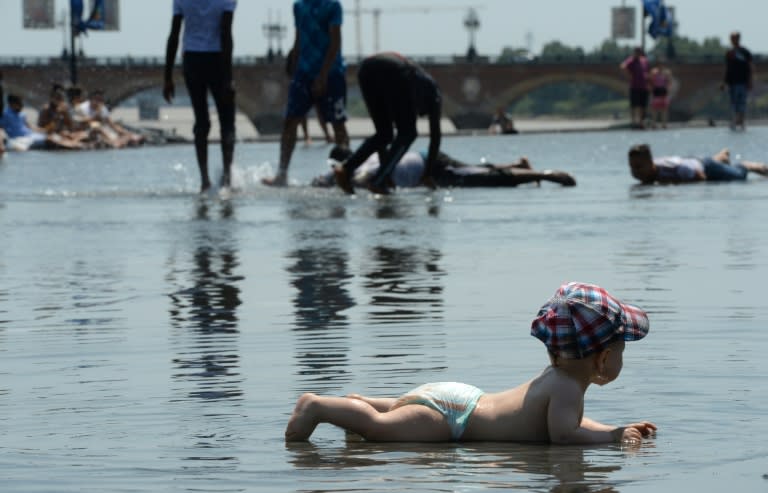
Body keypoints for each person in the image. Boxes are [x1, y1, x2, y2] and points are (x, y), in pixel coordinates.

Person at [285, 281, 656, 444]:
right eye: (621, 349)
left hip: (460, 398)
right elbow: (563, 436)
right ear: (604, 358)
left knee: (393, 411)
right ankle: (318, 406)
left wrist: (616, 427)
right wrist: (610, 439)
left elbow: (569, 424)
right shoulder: (566, 389)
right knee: (382, 429)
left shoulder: (558, 381)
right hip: (452, 422)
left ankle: (359, 404)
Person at [262, 0, 350, 186]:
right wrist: (293, 64)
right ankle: (282, 174)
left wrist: (323, 75)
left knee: (338, 125)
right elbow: (299, 38)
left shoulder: (333, 6)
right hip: (303, 73)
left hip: (331, 74)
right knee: (290, 122)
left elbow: (335, 42)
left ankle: (345, 172)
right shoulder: (299, 6)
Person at [334, 52, 442, 195]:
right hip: (395, 70)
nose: (418, 115)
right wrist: (427, 175)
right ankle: (378, 181)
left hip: (366, 69)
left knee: (384, 134)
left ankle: (345, 169)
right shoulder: (434, 94)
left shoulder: (414, 90)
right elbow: (436, 137)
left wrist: (387, 175)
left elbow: (383, 143)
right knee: (408, 133)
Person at [164, 0, 237, 192]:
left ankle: (204, 180)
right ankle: (227, 179)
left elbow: (174, 36)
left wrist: (167, 76)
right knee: (227, 121)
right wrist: (229, 78)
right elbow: (226, 34)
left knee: (201, 121)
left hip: (192, 59)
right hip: (217, 58)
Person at [312, 146, 576, 188]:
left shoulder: (361, 171)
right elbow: (322, 180)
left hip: (431, 167)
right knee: (474, 170)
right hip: (425, 156)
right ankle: (519, 164)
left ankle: (547, 175)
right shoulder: (362, 160)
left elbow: (363, 180)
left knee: (487, 179)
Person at [628, 143, 768, 185]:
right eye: (632, 168)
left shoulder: (671, 169)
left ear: (650, 163)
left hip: (705, 168)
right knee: (704, 161)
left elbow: (701, 177)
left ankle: (746, 165)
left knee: (738, 177)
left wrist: (672, 182)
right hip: (693, 160)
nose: (635, 172)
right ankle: (721, 157)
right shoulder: (649, 173)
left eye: (639, 167)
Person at [720, 31, 754, 131]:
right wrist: (724, 82)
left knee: (742, 103)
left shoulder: (745, 52)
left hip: (743, 82)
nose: (733, 40)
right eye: (732, 38)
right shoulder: (729, 53)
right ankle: (733, 122)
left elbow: (750, 67)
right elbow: (727, 68)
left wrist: (750, 81)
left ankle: (742, 122)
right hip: (732, 82)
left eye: (735, 38)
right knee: (733, 103)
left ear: (738, 39)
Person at [619, 47, 649, 129]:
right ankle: (633, 122)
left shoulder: (644, 61)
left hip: (644, 86)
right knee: (635, 105)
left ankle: (641, 122)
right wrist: (629, 75)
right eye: (636, 52)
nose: (638, 53)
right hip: (634, 86)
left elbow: (647, 71)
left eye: (639, 52)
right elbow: (622, 66)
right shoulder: (631, 60)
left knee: (643, 106)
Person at [648, 61, 672, 129]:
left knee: (664, 109)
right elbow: (650, 81)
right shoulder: (653, 72)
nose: (660, 66)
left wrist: (668, 90)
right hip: (656, 91)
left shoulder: (666, 73)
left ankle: (664, 124)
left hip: (663, 91)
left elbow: (669, 82)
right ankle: (654, 124)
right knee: (654, 109)